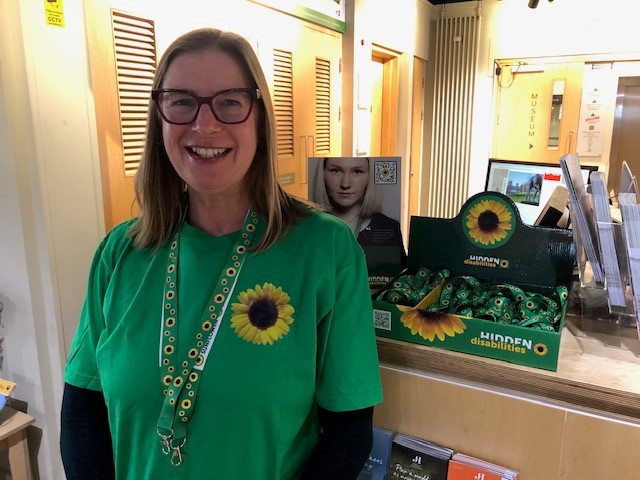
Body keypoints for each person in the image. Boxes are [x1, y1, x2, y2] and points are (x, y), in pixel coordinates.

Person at [60, 28, 383, 479]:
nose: (204, 125)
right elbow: (82, 411)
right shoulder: (121, 252)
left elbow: (348, 431)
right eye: (181, 101)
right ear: (160, 118)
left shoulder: (326, 250)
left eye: (230, 101)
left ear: (260, 119)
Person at [313, 156, 406, 283]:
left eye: (357, 172)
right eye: (336, 171)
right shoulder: (308, 229)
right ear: (322, 174)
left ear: (370, 176)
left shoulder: (390, 227)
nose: (345, 184)